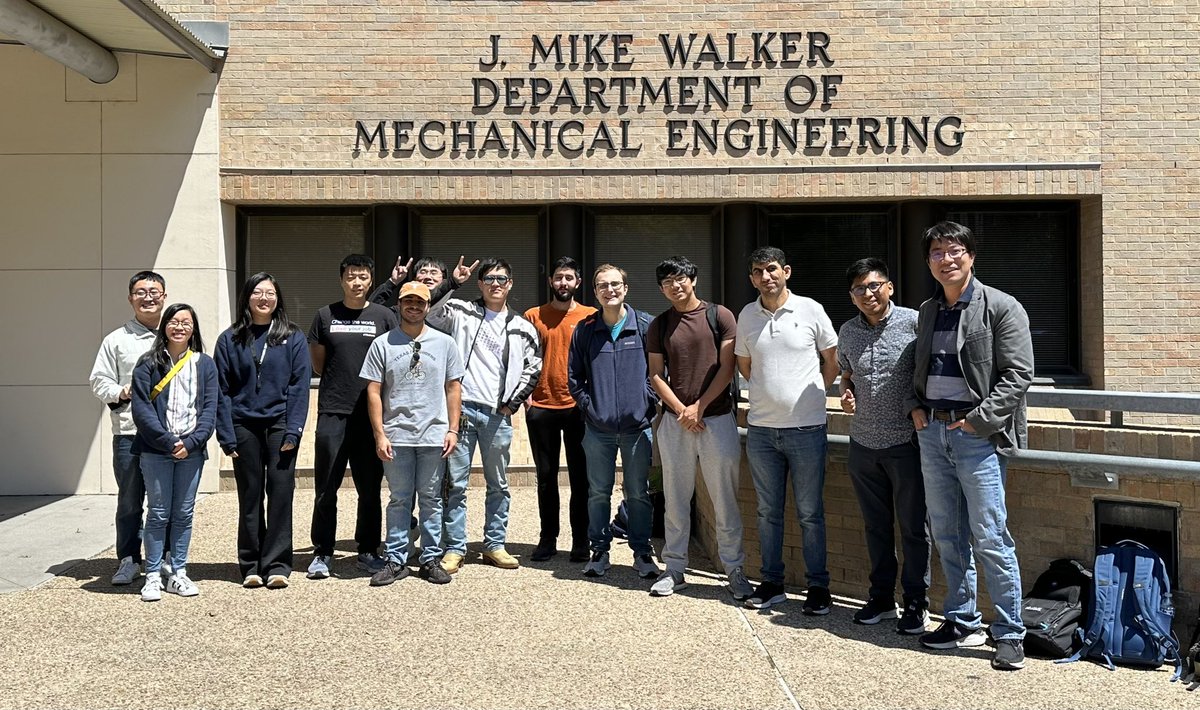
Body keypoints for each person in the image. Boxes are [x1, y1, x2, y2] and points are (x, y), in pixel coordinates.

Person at [904, 221, 1034, 671]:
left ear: (971, 256)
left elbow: (1018, 374)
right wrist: (914, 408)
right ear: (929, 262)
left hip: (976, 438)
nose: (946, 259)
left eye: (955, 250)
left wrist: (978, 422)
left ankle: (1010, 632)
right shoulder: (927, 310)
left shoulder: (1000, 306)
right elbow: (914, 367)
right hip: (933, 434)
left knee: (991, 536)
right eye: (937, 252)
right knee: (947, 533)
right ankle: (961, 620)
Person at [735, 247, 838, 613]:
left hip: (806, 429)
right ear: (751, 278)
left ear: (787, 271)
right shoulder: (747, 315)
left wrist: (811, 397)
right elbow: (746, 368)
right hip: (762, 431)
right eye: (758, 271)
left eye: (772, 269)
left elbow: (832, 361)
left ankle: (818, 588)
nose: (766, 277)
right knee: (767, 512)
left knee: (810, 512)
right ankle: (772, 583)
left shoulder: (811, 309)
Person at [428, 257, 542, 572]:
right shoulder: (461, 312)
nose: (495, 284)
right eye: (489, 279)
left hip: (497, 414)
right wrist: (451, 283)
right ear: (480, 284)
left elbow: (534, 366)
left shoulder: (522, 327)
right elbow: (429, 308)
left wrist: (512, 403)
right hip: (460, 412)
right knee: (456, 484)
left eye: (501, 279)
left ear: (510, 283)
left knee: (499, 483)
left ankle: (494, 544)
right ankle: (454, 547)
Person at [646, 256, 750, 600]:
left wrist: (699, 407)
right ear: (661, 289)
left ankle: (735, 570)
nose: (675, 287)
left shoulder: (719, 316)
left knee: (725, 500)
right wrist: (681, 410)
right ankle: (674, 569)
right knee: (675, 499)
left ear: (693, 278)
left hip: (717, 419)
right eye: (667, 283)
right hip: (677, 423)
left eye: (680, 279)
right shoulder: (660, 325)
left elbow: (726, 367)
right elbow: (656, 375)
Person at [837, 258, 931, 633]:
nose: (869, 293)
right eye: (860, 289)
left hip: (905, 443)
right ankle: (880, 598)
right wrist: (845, 392)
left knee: (913, 529)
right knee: (875, 527)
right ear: (852, 296)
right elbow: (847, 374)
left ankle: (916, 602)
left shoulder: (913, 323)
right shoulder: (847, 331)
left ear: (889, 287)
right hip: (862, 444)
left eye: (875, 285)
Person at [361, 282, 464, 586]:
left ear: (428, 306)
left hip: (434, 435)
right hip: (397, 436)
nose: (414, 307)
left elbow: (453, 387)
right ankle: (396, 559)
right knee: (399, 499)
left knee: (432, 499)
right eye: (408, 301)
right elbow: (374, 390)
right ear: (399, 305)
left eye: (420, 302)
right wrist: (380, 434)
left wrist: (453, 429)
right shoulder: (382, 344)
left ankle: (430, 558)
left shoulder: (445, 343)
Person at [215, 273, 311, 589]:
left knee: (281, 493)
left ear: (277, 298)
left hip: (280, 424)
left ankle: (278, 565)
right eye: (257, 292)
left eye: (270, 293)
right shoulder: (229, 339)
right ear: (247, 297)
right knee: (250, 494)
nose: (264, 298)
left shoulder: (292, 336)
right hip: (243, 425)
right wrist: (226, 434)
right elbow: (221, 390)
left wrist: (294, 430)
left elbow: (300, 386)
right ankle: (251, 564)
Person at [307, 254, 400, 579]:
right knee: (325, 487)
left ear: (370, 280)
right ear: (342, 279)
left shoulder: (384, 316)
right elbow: (318, 364)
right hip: (333, 411)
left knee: (370, 487)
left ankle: (368, 549)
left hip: (370, 416)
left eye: (362, 277)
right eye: (351, 276)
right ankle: (323, 552)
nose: (356, 282)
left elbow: (394, 358)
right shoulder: (324, 316)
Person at [567, 264, 660, 582]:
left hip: (637, 428)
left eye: (616, 284)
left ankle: (642, 552)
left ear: (626, 287)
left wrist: (647, 401)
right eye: (603, 285)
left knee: (638, 493)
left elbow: (660, 372)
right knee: (598, 493)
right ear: (595, 292)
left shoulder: (647, 325)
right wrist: (591, 407)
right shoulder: (585, 329)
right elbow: (574, 378)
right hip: (598, 429)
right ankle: (599, 551)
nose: (610, 290)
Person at [130, 304, 218, 602]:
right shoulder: (148, 363)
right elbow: (141, 410)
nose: (180, 327)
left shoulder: (204, 364)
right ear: (165, 325)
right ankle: (152, 575)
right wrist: (168, 442)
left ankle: (178, 571)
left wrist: (191, 443)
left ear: (194, 329)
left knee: (183, 513)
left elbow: (209, 409)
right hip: (156, 451)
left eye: (186, 322)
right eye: (174, 321)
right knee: (158, 513)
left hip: (191, 451)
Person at [90, 271, 168, 586]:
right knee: (130, 500)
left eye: (154, 291)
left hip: (168, 434)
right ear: (130, 298)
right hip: (130, 434)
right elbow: (98, 380)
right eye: (140, 291)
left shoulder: (176, 334)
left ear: (164, 295)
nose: (147, 297)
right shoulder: (116, 339)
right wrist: (122, 392)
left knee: (166, 502)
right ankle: (128, 559)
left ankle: (162, 560)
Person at [523, 256, 596, 563]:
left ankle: (581, 540)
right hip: (541, 406)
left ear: (577, 283)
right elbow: (521, 356)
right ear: (550, 282)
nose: (563, 283)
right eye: (558, 278)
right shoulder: (533, 315)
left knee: (581, 478)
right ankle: (547, 538)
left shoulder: (591, 315)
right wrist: (525, 398)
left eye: (569, 278)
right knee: (546, 476)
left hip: (578, 407)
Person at [370, 256, 449, 307]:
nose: (428, 277)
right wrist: (392, 282)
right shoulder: (404, 308)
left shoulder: (453, 309)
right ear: (414, 278)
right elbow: (371, 309)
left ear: (444, 278)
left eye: (433, 273)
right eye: (423, 272)